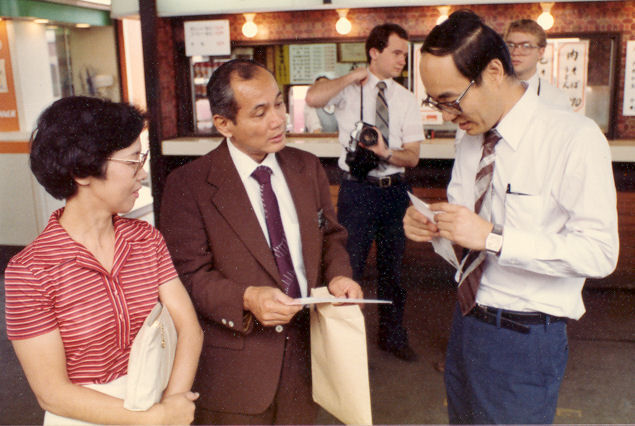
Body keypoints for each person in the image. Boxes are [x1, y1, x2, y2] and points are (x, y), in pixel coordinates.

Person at [404, 10, 619, 424]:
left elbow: (600, 253)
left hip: (524, 340)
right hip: (466, 324)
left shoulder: (572, 138)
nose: (447, 114)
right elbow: (467, 242)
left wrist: (494, 238)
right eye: (435, 102)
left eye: (451, 99)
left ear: (495, 71)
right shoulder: (470, 139)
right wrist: (435, 231)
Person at [159, 59, 363, 425]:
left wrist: (338, 277)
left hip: (305, 362)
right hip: (235, 372)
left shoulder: (306, 166)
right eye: (260, 112)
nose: (278, 119)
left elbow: (331, 237)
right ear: (224, 123)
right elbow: (188, 277)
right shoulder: (189, 185)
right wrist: (246, 299)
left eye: (280, 104)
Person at [4, 96, 203, 425]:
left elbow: (189, 330)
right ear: (83, 172)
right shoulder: (30, 271)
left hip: (160, 402)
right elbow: (51, 392)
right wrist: (153, 419)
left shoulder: (146, 239)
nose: (142, 174)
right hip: (84, 417)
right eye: (132, 162)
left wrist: (172, 406)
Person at [305, 23, 424, 362]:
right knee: (348, 265)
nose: (403, 59)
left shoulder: (405, 98)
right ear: (375, 52)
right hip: (357, 191)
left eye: (405, 53)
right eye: (397, 52)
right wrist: (351, 76)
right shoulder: (348, 90)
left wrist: (386, 152)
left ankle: (392, 336)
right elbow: (313, 98)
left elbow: (413, 156)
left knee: (394, 271)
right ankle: (344, 345)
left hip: (395, 192)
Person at [504, 19, 571, 110]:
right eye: (510, 45)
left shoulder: (556, 98)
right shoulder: (492, 92)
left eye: (525, 46)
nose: (515, 52)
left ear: (540, 52)